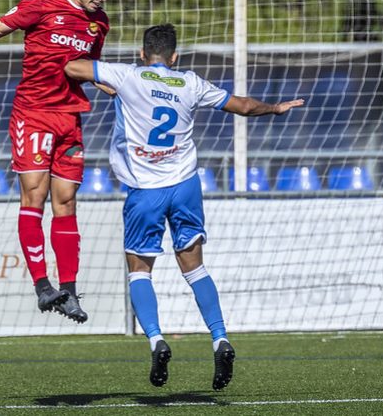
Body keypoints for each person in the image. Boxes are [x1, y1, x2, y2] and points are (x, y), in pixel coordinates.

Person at [64, 24, 304, 389]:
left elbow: (72, 67)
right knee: (194, 268)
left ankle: (156, 340)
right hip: (185, 186)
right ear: (175, 57)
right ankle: (220, 338)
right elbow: (240, 105)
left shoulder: (128, 75)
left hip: (145, 191)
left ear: (144, 54)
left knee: (140, 271)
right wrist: (275, 108)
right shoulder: (190, 82)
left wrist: (108, 77)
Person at [0, 0, 119, 324]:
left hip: (70, 119)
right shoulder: (42, 3)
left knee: (67, 200)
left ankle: (70, 292)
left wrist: (121, 85)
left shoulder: (99, 23)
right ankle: (43, 286)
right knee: (35, 195)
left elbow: (92, 69)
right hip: (34, 114)